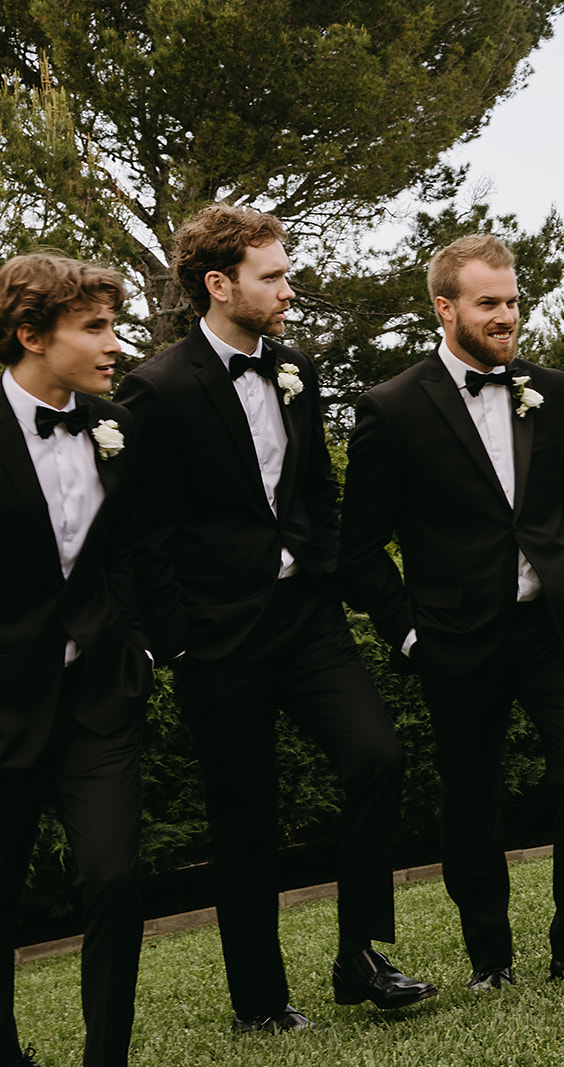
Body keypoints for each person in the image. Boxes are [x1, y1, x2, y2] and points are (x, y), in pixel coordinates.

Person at [118, 205, 434, 1033]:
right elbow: (142, 531)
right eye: (273, 276)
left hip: (306, 619)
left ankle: (360, 954)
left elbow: (317, 493)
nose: (289, 290)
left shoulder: (297, 370)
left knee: (377, 756)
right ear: (219, 285)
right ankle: (260, 1003)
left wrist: (325, 569)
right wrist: (179, 637)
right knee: (245, 815)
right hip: (218, 638)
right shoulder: (154, 388)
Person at [340, 234, 564, 991]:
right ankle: (490, 960)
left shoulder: (553, 389)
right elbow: (360, 547)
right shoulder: (391, 407)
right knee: (470, 797)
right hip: (456, 638)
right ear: (445, 307)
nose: (506, 316)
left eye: (511, 301)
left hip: (555, 627)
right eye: (488, 303)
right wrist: (409, 632)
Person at [0, 255, 150, 1067]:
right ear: (31, 335)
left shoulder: (113, 426)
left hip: (99, 696)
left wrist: (134, 641)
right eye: (94, 328)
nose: (115, 344)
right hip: (3, 703)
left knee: (115, 879)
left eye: (113, 324)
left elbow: (125, 551)